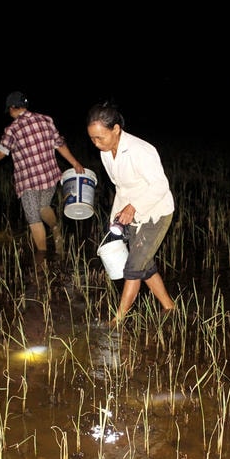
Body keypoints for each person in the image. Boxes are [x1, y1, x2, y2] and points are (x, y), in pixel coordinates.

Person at [86, 102, 175, 328]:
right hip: (132, 213)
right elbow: (121, 188)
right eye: (92, 138)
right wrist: (116, 217)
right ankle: (169, 307)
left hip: (156, 212)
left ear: (116, 129)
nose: (96, 143)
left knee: (133, 268)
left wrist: (133, 206)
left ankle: (117, 321)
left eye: (100, 137)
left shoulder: (141, 151)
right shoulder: (106, 152)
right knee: (143, 265)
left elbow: (160, 186)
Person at [0, 91, 85, 256]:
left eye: (9, 110)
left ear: (13, 108)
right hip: (50, 178)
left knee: (34, 219)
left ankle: (41, 260)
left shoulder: (12, 129)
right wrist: (75, 163)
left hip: (29, 182)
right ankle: (56, 229)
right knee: (43, 206)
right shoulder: (46, 120)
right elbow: (59, 144)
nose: (9, 113)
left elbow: (1, 153)